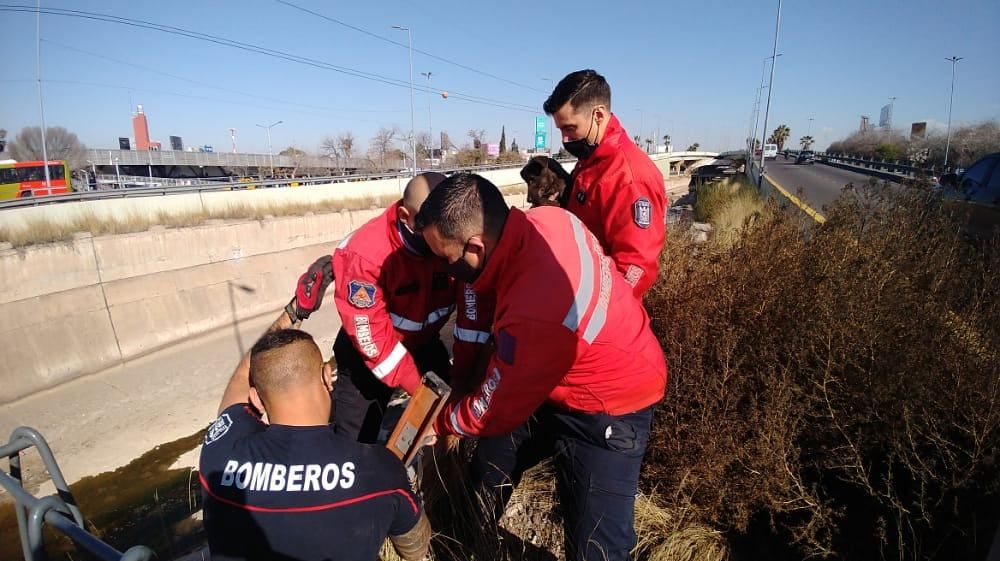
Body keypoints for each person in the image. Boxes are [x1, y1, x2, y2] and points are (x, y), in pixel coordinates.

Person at [415, 173, 668, 561]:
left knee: (597, 546)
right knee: (490, 467)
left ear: (476, 248)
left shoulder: (535, 310)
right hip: (556, 376)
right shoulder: (550, 219)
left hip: (609, 405)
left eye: (448, 261)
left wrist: (444, 422)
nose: (447, 271)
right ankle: (470, 539)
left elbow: (493, 408)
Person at [199, 314, 430, 561]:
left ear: (256, 398)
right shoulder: (380, 470)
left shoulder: (219, 451)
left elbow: (239, 380)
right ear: (326, 376)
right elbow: (416, 549)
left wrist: (292, 312)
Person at [288, 171, 492, 444]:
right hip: (367, 356)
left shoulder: (453, 239)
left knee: (446, 417)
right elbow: (374, 340)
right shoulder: (365, 255)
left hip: (423, 343)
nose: (438, 235)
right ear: (406, 216)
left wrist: (463, 378)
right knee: (355, 444)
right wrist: (420, 392)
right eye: (426, 224)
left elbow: (472, 313)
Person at [544, 69, 667, 298]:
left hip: (601, 318)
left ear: (598, 115)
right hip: (577, 294)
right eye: (560, 130)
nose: (564, 139)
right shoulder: (591, 160)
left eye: (570, 128)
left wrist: (595, 311)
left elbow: (635, 267)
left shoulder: (630, 177)